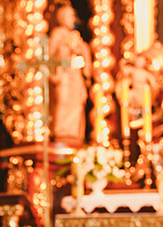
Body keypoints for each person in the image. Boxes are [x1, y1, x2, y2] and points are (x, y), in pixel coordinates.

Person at [49, 4, 92, 143]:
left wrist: (81, 51)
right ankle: (61, 132)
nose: (73, 19)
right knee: (63, 101)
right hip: (64, 75)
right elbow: (51, 56)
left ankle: (74, 134)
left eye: (73, 16)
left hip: (75, 75)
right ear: (61, 17)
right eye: (70, 16)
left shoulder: (76, 36)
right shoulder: (57, 34)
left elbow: (84, 54)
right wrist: (65, 51)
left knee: (77, 105)